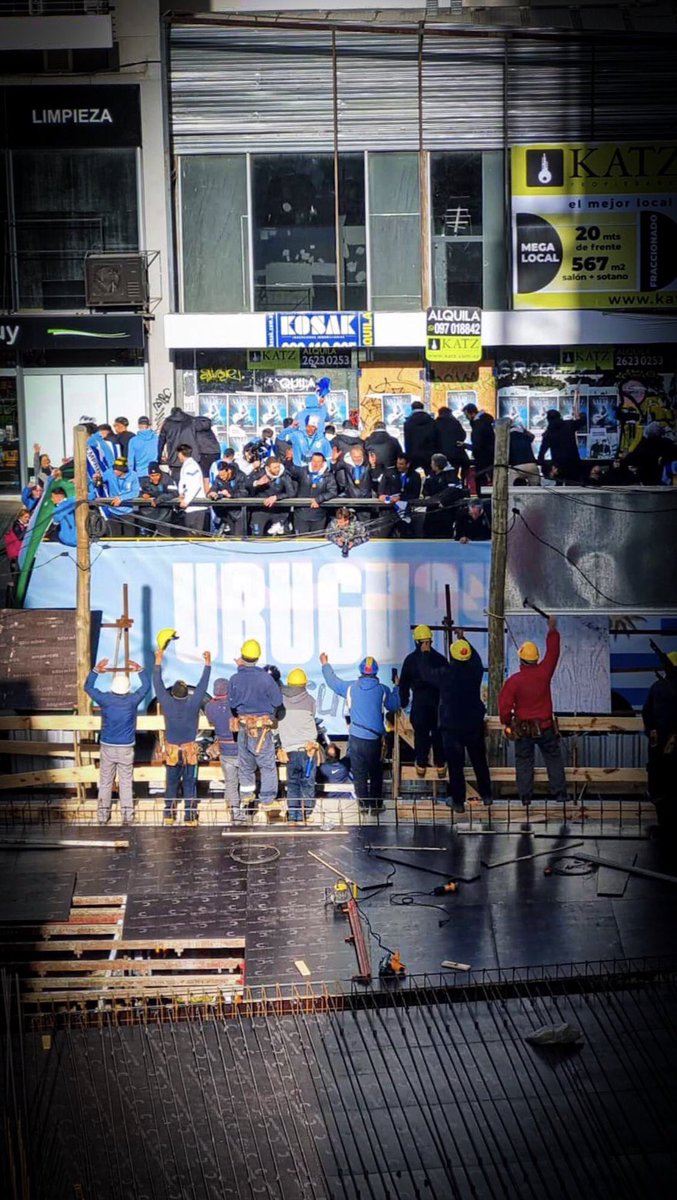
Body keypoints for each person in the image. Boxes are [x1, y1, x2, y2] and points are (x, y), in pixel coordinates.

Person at [498, 615, 568, 808]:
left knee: (524, 762)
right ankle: (560, 794)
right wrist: (552, 629)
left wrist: (507, 722)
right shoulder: (544, 672)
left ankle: (525, 797)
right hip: (546, 727)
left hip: (524, 729)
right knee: (553, 759)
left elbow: (504, 707)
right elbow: (553, 653)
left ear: (521, 659)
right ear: (536, 659)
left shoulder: (514, 682)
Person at [418, 637, 491, 812]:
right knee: (480, 762)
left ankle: (458, 802)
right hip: (473, 725)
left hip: (452, 728)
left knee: (455, 766)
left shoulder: (446, 674)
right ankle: (487, 795)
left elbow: (426, 674)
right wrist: (465, 640)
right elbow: (476, 659)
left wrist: (425, 654)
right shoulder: (475, 671)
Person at [320, 652, 399, 812]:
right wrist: (397, 686)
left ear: (361, 670)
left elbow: (333, 682)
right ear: (376, 671)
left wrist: (325, 664)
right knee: (376, 773)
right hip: (374, 740)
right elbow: (394, 705)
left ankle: (362, 805)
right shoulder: (382, 690)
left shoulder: (351, 688)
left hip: (355, 738)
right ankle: (375, 806)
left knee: (359, 773)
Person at [85, 657, 150, 825]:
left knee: (105, 782)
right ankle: (127, 817)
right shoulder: (132, 701)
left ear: (113, 687)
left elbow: (88, 687)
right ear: (127, 689)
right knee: (126, 783)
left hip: (107, 745)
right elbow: (146, 687)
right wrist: (140, 670)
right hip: (126, 746)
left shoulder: (105, 699)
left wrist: (96, 671)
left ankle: (102, 816)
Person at [154, 646, 212, 825]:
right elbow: (202, 686)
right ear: (187, 694)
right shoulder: (193, 704)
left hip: (172, 751)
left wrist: (158, 662)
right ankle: (189, 816)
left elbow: (157, 684)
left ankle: (169, 814)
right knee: (189, 784)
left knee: (171, 783)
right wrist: (207, 665)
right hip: (189, 751)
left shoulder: (167, 703)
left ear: (173, 693)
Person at [229, 638, 285, 821]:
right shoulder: (266, 679)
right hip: (262, 730)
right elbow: (277, 702)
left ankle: (246, 796)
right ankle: (267, 800)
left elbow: (232, 704)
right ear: (258, 656)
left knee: (245, 766)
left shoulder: (235, 679)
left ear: (242, 655)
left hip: (244, 728)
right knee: (267, 765)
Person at [398, 624, 447, 780]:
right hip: (437, 703)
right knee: (438, 733)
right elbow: (448, 682)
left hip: (420, 703)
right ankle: (441, 764)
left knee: (421, 734)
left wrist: (403, 701)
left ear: (416, 642)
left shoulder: (410, 660)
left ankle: (421, 763)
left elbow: (404, 683)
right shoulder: (440, 659)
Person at [277, 668, 320, 823]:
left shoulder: (280, 701)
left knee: (293, 784)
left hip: (289, 751)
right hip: (308, 751)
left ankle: (293, 814)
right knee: (307, 783)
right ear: (304, 684)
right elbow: (313, 716)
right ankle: (305, 813)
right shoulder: (310, 701)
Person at [642, 651, 677, 839]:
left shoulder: (657, 687)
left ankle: (665, 824)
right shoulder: (658, 687)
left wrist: (653, 731)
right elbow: (648, 713)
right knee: (662, 783)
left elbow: (647, 713)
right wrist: (652, 731)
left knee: (662, 783)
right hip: (661, 745)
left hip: (663, 746)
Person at [205, 678, 245, 822]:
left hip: (224, 749)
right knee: (245, 781)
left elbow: (211, 722)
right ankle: (245, 808)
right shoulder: (236, 705)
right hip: (240, 749)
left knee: (230, 782)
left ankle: (234, 811)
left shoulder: (210, 707)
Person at [289, 450, 338, 535]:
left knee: (316, 540)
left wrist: (318, 499)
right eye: (314, 461)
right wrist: (289, 461)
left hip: (319, 515)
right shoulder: (303, 471)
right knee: (301, 540)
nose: (315, 464)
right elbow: (289, 471)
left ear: (323, 463)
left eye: (318, 462)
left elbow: (333, 491)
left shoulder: (328, 476)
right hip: (301, 514)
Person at [246, 456, 296, 536]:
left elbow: (291, 493)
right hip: (260, 510)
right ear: (268, 468)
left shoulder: (284, 476)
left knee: (284, 534)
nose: (277, 469)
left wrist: (276, 497)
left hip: (279, 511)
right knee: (256, 535)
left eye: (278, 467)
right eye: (275, 468)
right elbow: (245, 484)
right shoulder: (260, 473)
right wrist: (257, 483)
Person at [537, 408, 585, 484]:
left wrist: (549, 469)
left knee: (559, 488)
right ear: (560, 417)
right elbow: (583, 421)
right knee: (575, 487)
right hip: (573, 463)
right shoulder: (569, 424)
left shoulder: (548, 433)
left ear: (548, 420)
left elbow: (541, 456)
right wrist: (579, 415)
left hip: (558, 467)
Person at [422, 454, 466, 538]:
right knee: (428, 530)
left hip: (445, 510)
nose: (431, 464)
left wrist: (443, 501)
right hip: (431, 509)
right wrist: (426, 495)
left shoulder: (451, 475)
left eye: (432, 462)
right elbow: (426, 488)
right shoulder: (431, 475)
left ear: (437, 465)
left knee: (443, 532)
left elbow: (453, 490)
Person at [102, 457, 140, 537]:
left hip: (128, 511)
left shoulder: (133, 475)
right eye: (114, 469)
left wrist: (121, 498)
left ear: (123, 470)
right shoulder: (110, 472)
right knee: (114, 537)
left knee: (130, 537)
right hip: (113, 511)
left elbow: (135, 492)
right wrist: (96, 478)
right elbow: (100, 479)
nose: (115, 471)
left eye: (117, 470)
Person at [157, 406, 199, 480]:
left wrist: (159, 457)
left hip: (174, 459)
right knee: (192, 481)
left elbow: (161, 441)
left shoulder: (167, 422)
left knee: (177, 483)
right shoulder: (191, 420)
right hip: (191, 457)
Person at [137, 463, 178, 535]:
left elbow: (174, 493)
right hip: (147, 514)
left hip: (164, 514)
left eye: (157, 475)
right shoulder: (143, 481)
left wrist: (158, 499)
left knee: (164, 535)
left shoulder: (167, 479)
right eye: (152, 476)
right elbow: (134, 492)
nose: (155, 478)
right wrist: (142, 495)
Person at [207, 459, 247, 534]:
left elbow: (244, 493)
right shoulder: (218, 478)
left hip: (238, 512)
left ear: (229, 471)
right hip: (225, 513)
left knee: (238, 536)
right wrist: (212, 493)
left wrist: (230, 495)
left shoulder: (240, 476)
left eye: (223, 475)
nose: (221, 477)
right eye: (220, 475)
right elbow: (214, 488)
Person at [462, 404, 495, 492]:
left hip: (482, 458)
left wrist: (466, 446)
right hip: (491, 456)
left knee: (481, 482)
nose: (467, 418)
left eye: (467, 415)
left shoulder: (478, 424)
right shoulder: (487, 421)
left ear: (472, 413)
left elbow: (478, 444)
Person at [177, 443, 207, 533]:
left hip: (195, 508)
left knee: (195, 536)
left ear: (181, 453)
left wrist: (186, 500)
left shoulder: (191, 466)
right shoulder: (187, 465)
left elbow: (195, 485)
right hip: (191, 508)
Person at [433, 408, 469, 479]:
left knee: (443, 474)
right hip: (456, 453)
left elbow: (433, 438)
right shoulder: (455, 422)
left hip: (442, 454)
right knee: (455, 472)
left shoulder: (436, 423)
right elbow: (463, 435)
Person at [403, 400, 436, 472]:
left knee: (412, 475)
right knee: (430, 474)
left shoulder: (408, 423)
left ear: (412, 408)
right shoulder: (431, 421)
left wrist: (408, 455)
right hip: (429, 453)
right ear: (422, 408)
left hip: (414, 454)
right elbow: (435, 438)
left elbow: (407, 441)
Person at [508, 421, 540, 486]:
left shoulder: (507, 438)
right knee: (536, 487)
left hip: (516, 466)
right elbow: (532, 436)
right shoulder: (526, 436)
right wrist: (525, 430)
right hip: (531, 464)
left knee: (512, 488)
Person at [193, 414, 221, 483]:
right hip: (216, 452)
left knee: (205, 475)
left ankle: (207, 489)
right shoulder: (208, 429)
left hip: (204, 453)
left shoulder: (193, 428)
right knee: (215, 473)